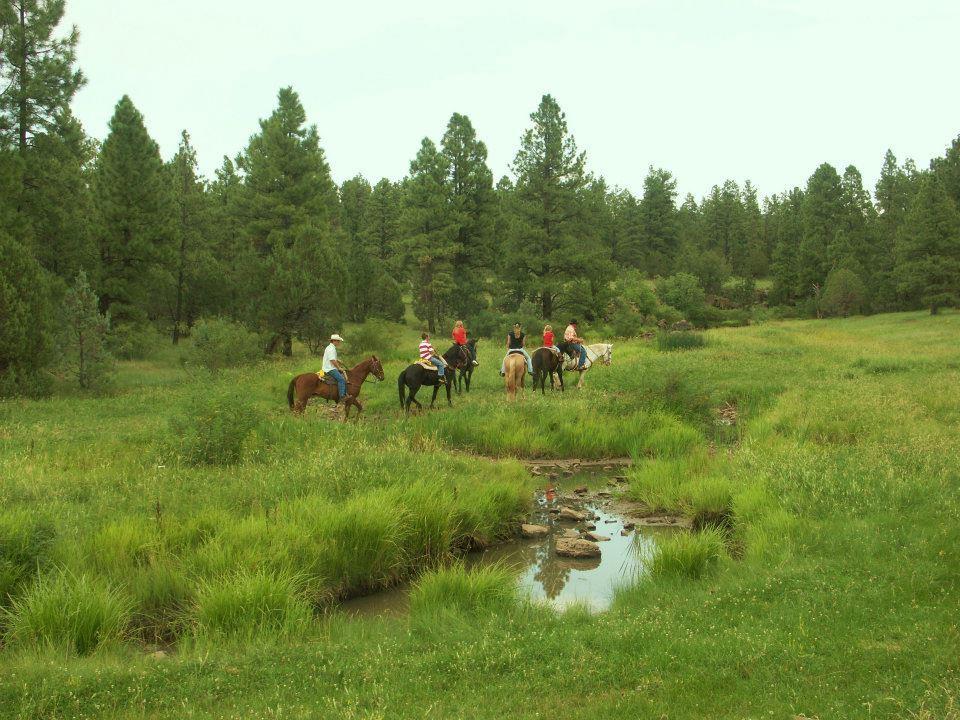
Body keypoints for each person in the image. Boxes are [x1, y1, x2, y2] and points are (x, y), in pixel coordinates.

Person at [322, 333, 350, 402]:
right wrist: (339, 367)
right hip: (330, 369)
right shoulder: (332, 349)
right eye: (338, 341)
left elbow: (332, 358)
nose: (339, 342)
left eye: (339, 341)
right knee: (341, 380)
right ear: (334, 341)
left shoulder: (329, 347)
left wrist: (338, 360)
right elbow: (332, 360)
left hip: (327, 367)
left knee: (343, 375)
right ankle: (342, 396)